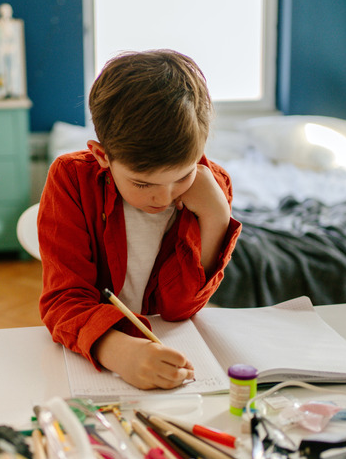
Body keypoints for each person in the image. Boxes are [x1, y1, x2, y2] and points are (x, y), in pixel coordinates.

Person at [38, 50, 241, 390]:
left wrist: (216, 216)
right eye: (143, 184)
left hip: (169, 355)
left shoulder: (212, 186)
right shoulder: (71, 179)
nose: (163, 198)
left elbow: (178, 308)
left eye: (182, 176)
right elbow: (64, 301)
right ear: (102, 155)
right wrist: (118, 352)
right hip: (94, 363)